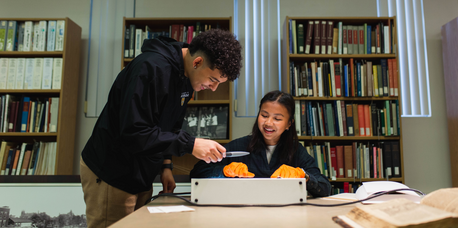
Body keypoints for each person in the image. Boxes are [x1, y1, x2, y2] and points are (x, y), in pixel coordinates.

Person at [80, 28, 242, 227]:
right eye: (213, 80)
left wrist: (166, 166)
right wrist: (190, 145)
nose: (213, 87)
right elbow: (134, 132)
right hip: (112, 171)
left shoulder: (186, 77)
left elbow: (168, 127)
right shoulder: (150, 68)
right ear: (197, 62)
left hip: (141, 173)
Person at [190, 90, 331, 197]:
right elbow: (196, 174)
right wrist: (223, 171)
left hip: (284, 216)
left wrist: (303, 176)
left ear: (289, 124)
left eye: (277, 118)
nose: (268, 123)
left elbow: (325, 188)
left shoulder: (296, 151)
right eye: (264, 115)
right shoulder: (239, 146)